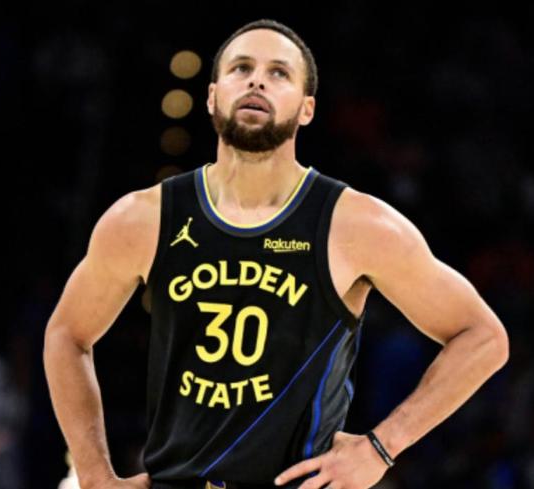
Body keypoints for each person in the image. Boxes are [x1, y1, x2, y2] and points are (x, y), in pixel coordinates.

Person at [43, 18, 509, 489]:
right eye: (241, 68)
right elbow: (66, 334)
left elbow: (483, 338)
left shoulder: (355, 225)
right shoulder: (144, 218)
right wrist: (95, 476)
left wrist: (381, 447)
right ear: (212, 96)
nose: (257, 81)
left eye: (279, 73)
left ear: (307, 109)